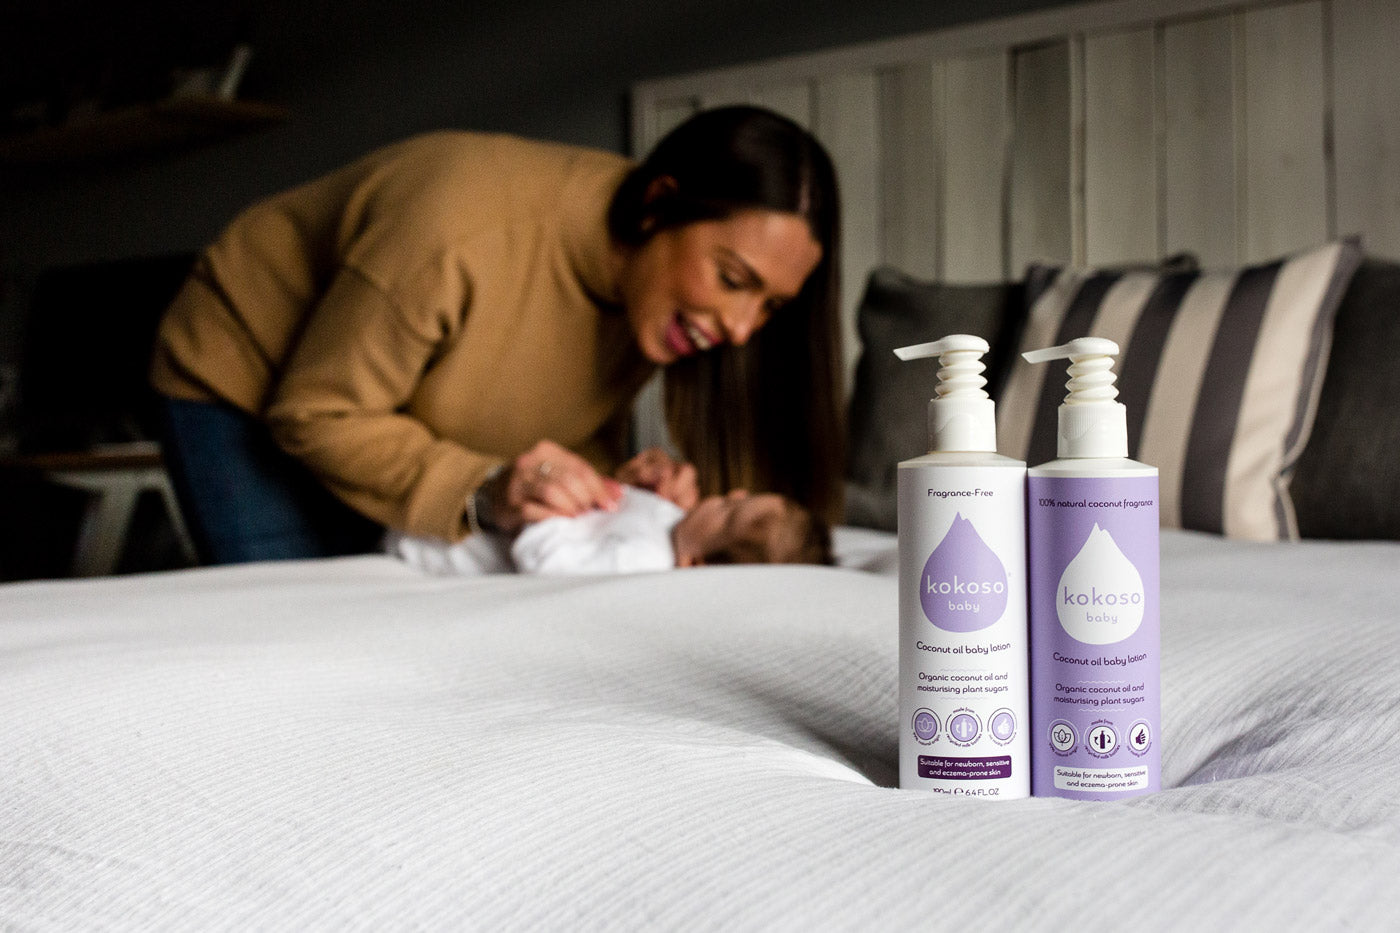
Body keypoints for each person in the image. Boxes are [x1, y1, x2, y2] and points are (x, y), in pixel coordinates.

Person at [148, 106, 844, 565]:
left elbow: (526, 406)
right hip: (248, 378)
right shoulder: (456, 231)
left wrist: (606, 486)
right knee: (291, 629)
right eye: (732, 278)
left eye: (772, 307)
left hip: (391, 408)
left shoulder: (651, 296)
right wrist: (483, 488)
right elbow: (318, 411)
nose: (743, 329)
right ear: (658, 206)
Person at [386, 485, 832, 576]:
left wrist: (548, 511)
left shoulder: (643, 560)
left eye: (731, 511)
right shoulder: (671, 519)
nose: (730, 492)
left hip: (434, 547)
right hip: (451, 502)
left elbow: (551, 565)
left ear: (695, 564)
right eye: (741, 494)